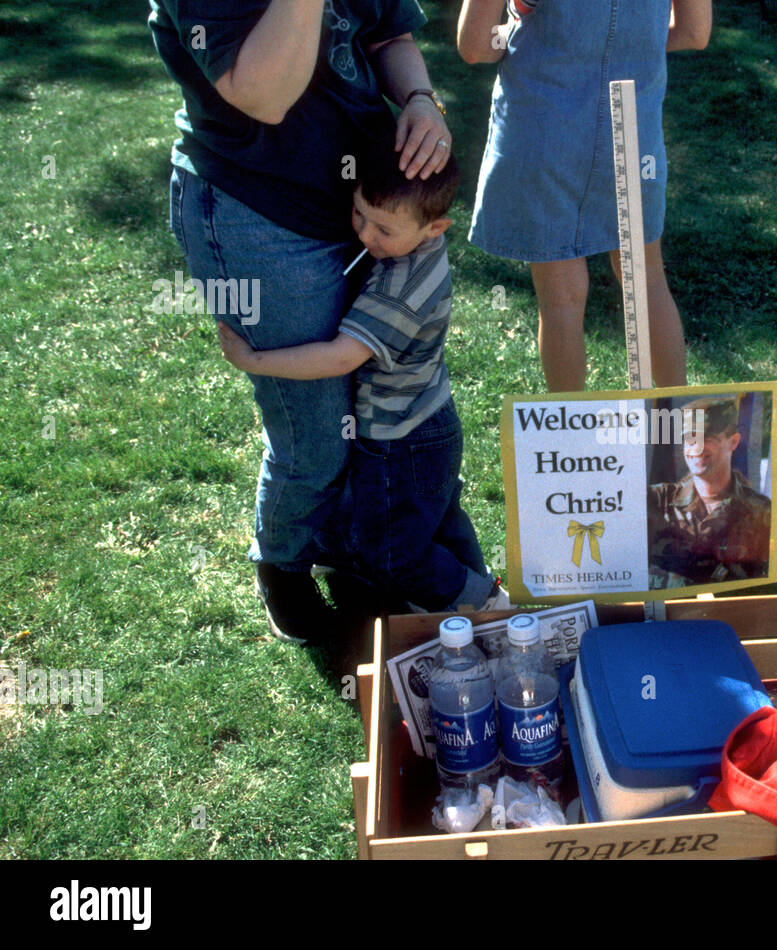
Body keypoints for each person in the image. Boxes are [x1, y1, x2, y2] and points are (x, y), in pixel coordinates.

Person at [150, 0, 455, 642]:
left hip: (360, 202)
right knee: (314, 431)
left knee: (361, 411)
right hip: (260, 211)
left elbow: (387, 30)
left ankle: (344, 547)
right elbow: (264, 96)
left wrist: (422, 99)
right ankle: (282, 563)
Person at [217, 141, 510, 616]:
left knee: (392, 554)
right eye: (360, 214)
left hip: (400, 439)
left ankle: (483, 605)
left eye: (384, 229)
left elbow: (339, 358)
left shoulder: (403, 286)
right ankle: (479, 601)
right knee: (438, 521)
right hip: (428, 422)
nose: (366, 235)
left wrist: (255, 360)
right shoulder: (418, 243)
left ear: (436, 227)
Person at [455, 0, 712, 392]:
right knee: (646, 283)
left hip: (544, 124)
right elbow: (695, 33)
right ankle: (672, 437)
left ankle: (571, 444)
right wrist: (623, 48)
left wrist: (518, 26)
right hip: (632, 123)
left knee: (561, 301)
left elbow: (475, 46)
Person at [647, 396, 771, 588]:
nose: (696, 448)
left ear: (734, 442)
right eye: (690, 438)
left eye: (707, 438)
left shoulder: (759, 510)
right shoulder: (657, 500)